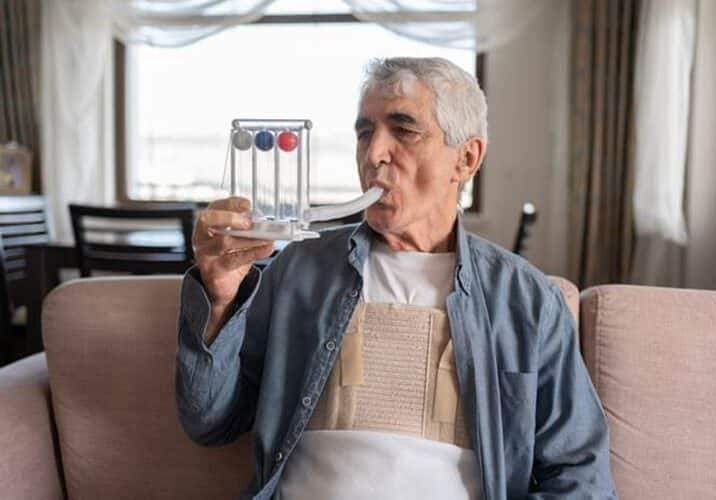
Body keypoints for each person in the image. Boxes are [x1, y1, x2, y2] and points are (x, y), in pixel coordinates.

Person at [176, 57, 617, 500]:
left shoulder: (526, 300)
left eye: (404, 131)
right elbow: (210, 422)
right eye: (365, 133)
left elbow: (581, 478)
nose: (374, 155)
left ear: (466, 159)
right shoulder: (298, 270)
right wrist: (219, 297)